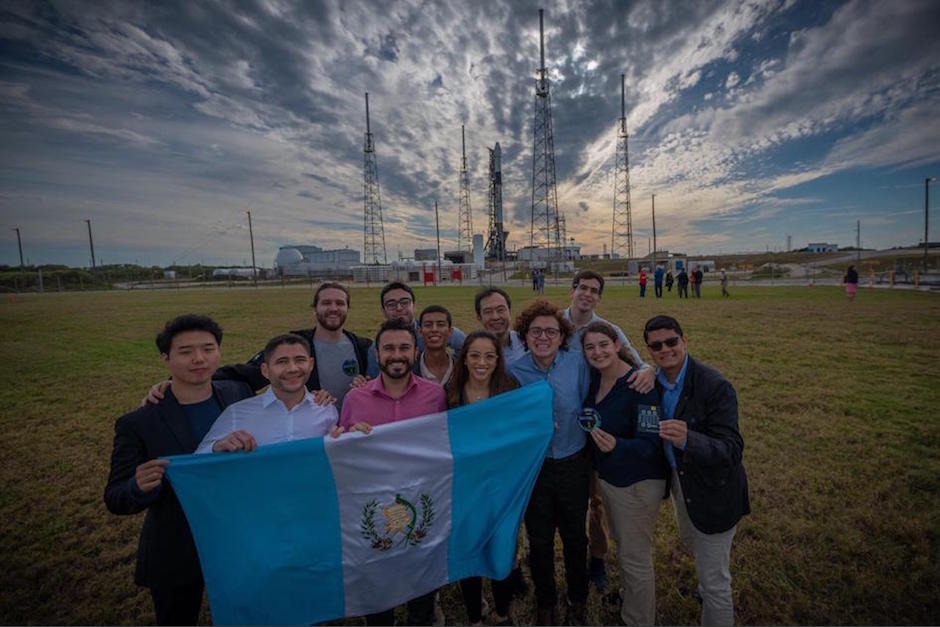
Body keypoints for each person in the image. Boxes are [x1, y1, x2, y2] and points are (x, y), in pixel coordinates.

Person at [104, 314, 253, 625]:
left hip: (238, 538)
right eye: (185, 352)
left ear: (219, 353)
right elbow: (115, 497)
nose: (199, 359)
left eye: (208, 349)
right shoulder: (138, 422)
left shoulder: (239, 395)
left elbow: (288, 371)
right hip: (177, 546)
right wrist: (138, 486)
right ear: (165, 359)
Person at [339, 319, 447, 625]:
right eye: (389, 348)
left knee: (421, 581)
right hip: (373, 505)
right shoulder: (354, 399)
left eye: (404, 348)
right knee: (376, 583)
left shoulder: (435, 395)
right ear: (376, 353)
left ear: (415, 352)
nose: (396, 354)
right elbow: (342, 451)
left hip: (422, 500)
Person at [644, 315, 749, 627]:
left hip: (714, 489)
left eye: (672, 342)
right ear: (649, 351)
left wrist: (690, 439)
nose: (665, 349)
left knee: (716, 580)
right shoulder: (654, 381)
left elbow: (732, 449)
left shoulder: (715, 386)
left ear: (684, 341)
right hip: (681, 480)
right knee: (692, 540)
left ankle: (713, 599)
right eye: (656, 345)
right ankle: (705, 589)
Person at [144, 281, 366, 411]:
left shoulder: (362, 346)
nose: (333, 308)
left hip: (349, 429)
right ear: (315, 308)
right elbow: (246, 373)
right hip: (307, 428)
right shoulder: (294, 345)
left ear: (348, 308)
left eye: (340, 303)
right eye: (326, 302)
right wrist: (177, 381)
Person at [508, 300, 590, 625]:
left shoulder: (578, 363)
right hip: (535, 469)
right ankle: (546, 602)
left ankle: (578, 599)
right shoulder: (514, 371)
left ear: (562, 336)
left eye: (551, 331)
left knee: (574, 537)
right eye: (536, 331)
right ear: (525, 336)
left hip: (573, 462)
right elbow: (507, 421)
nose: (543, 337)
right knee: (539, 540)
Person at [581, 322, 667, 626]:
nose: (597, 352)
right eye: (590, 347)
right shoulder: (595, 380)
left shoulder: (639, 385)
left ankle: (638, 619)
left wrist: (618, 445)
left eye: (603, 344)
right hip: (609, 479)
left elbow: (651, 444)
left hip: (637, 483)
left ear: (618, 345)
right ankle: (631, 599)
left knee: (635, 557)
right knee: (623, 544)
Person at [447, 330, 520, 626]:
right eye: (475, 355)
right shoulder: (450, 393)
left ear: (498, 359)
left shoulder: (510, 388)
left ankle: (502, 614)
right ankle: (475, 618)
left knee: (501, 549)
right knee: (469, 552)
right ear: (464, 358)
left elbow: (522, 429)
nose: (482, 362)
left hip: (501, 487)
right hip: (464, 488)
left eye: (490, 356)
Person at [196, 334, 340, 454]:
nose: (292, 368)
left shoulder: (326, 409)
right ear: (265, 370)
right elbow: (196, 459)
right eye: (282, 362)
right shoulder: (236, 413)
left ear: (311, 365)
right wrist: (217, 447)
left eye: (299, 360)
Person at [367, 281, 466, 376]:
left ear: (414, 306)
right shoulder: (376, 348)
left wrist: (453, 370)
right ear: (383, 311)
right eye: (391, 304)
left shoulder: (432, 332)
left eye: (404, 302)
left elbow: (467, 348)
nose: (399, 308)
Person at [474, 287, 526, 364]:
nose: (495, 317)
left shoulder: (525, 342)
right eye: (488, 312)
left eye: (500, 310)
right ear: (479, 318)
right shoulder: (472, 349)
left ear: (509, 312)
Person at [417, 305, 456, 386]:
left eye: (441, 325)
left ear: (450, 331)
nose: (434, 329)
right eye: (428, 325)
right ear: (420, 332)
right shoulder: (409, 371)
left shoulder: (463, 369)